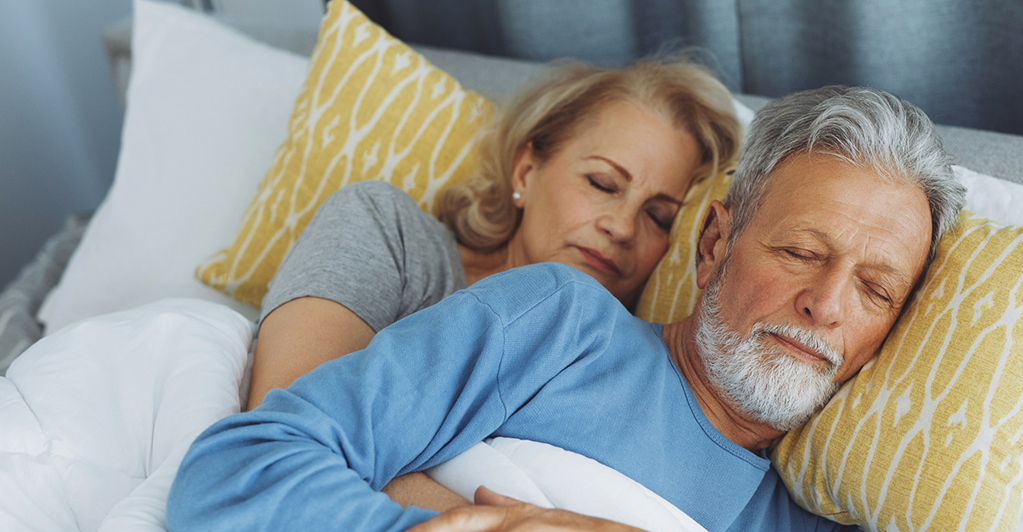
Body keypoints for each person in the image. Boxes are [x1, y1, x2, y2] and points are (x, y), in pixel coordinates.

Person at [167, 85, 966, 532]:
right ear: (714, 241)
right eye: (800, 251)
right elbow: (240, 472)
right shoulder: (558, 323)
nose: (825, 304)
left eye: (875, 289)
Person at [247, 58, 741, 410]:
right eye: (602, 183)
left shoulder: (632, 371)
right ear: (526, 170)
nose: (621, 226)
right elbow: (288, 421)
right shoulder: (388, 233)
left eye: (658, 217)